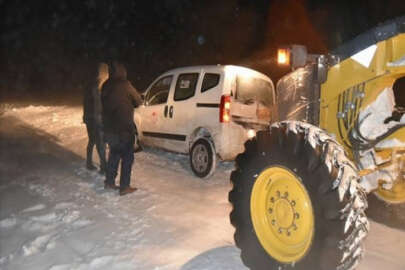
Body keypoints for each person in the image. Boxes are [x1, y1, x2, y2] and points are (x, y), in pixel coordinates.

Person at [101, 61, 143, 196]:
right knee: (127, 157)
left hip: (109, 129)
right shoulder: (125, 85)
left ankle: (109, 182)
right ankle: (124, 187)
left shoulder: (105, 85)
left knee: (114, 154)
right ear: (122, 71)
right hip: (124, 128)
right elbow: (138, 101)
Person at [83, 62, 108, 174]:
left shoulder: (93, 84)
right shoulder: (99, 85)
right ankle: (103, 166)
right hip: (95, 118)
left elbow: (87, 102)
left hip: (92, 117)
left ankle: (89, 162)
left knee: (93, 140)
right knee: (99, 142)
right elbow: (98, 104)